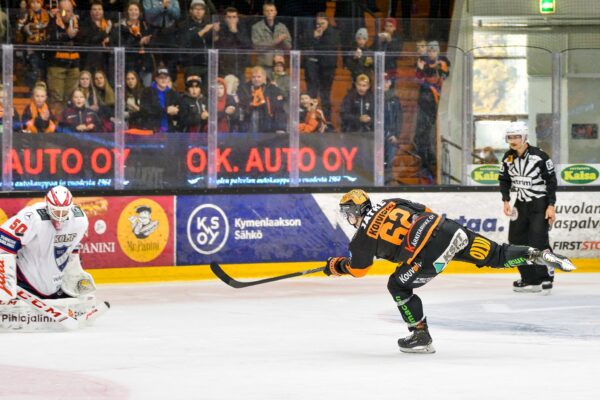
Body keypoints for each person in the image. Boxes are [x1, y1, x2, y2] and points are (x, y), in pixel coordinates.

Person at [323, 189, 576, 354]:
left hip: (429, 254)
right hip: (448, 229)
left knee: (397, 285)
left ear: (355, 211)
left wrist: (336, 266)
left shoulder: (361, 238)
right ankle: (535, 254)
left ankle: (420, 336)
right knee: (497, 254)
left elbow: (358, 270)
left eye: (347, 213)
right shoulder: (390, 202)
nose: (348, 218)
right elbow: (426, 210)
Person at [0, 185, 95, 302]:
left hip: (55, 284)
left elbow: (73, 249)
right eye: (56, 211)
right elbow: (4, 243)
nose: (60, 217)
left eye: (64, 212)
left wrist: (75, 271)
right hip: (25, 282)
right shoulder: (32, 217)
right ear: (47, 206)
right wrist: (5, 285)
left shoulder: (80, 220)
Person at [499, 121, 558, 293]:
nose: (513, 140)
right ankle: (529, 278)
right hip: (520, 204)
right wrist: (506, 200)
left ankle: (546, 276)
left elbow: (551, 181)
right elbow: (504, 179)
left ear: (525, 137)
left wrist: (551, 205)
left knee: (538, 241)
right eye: (510, 137)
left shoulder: (539, 156)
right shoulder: (508, 157)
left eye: (517, 136)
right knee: (515, 241)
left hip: (540, 204)